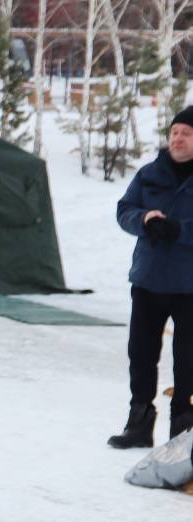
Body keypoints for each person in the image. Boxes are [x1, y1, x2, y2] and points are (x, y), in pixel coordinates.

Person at [110, 106, 193, 447]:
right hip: (147, 280)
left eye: (186, 133)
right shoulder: (149, 173)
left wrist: (178, 230)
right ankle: (139, 424)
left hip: (189, 285)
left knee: (188, 359)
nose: (177, 138)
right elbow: (124, 210)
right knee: (141, 354)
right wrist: (144, 219)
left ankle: (183, 427)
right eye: (174, 132)